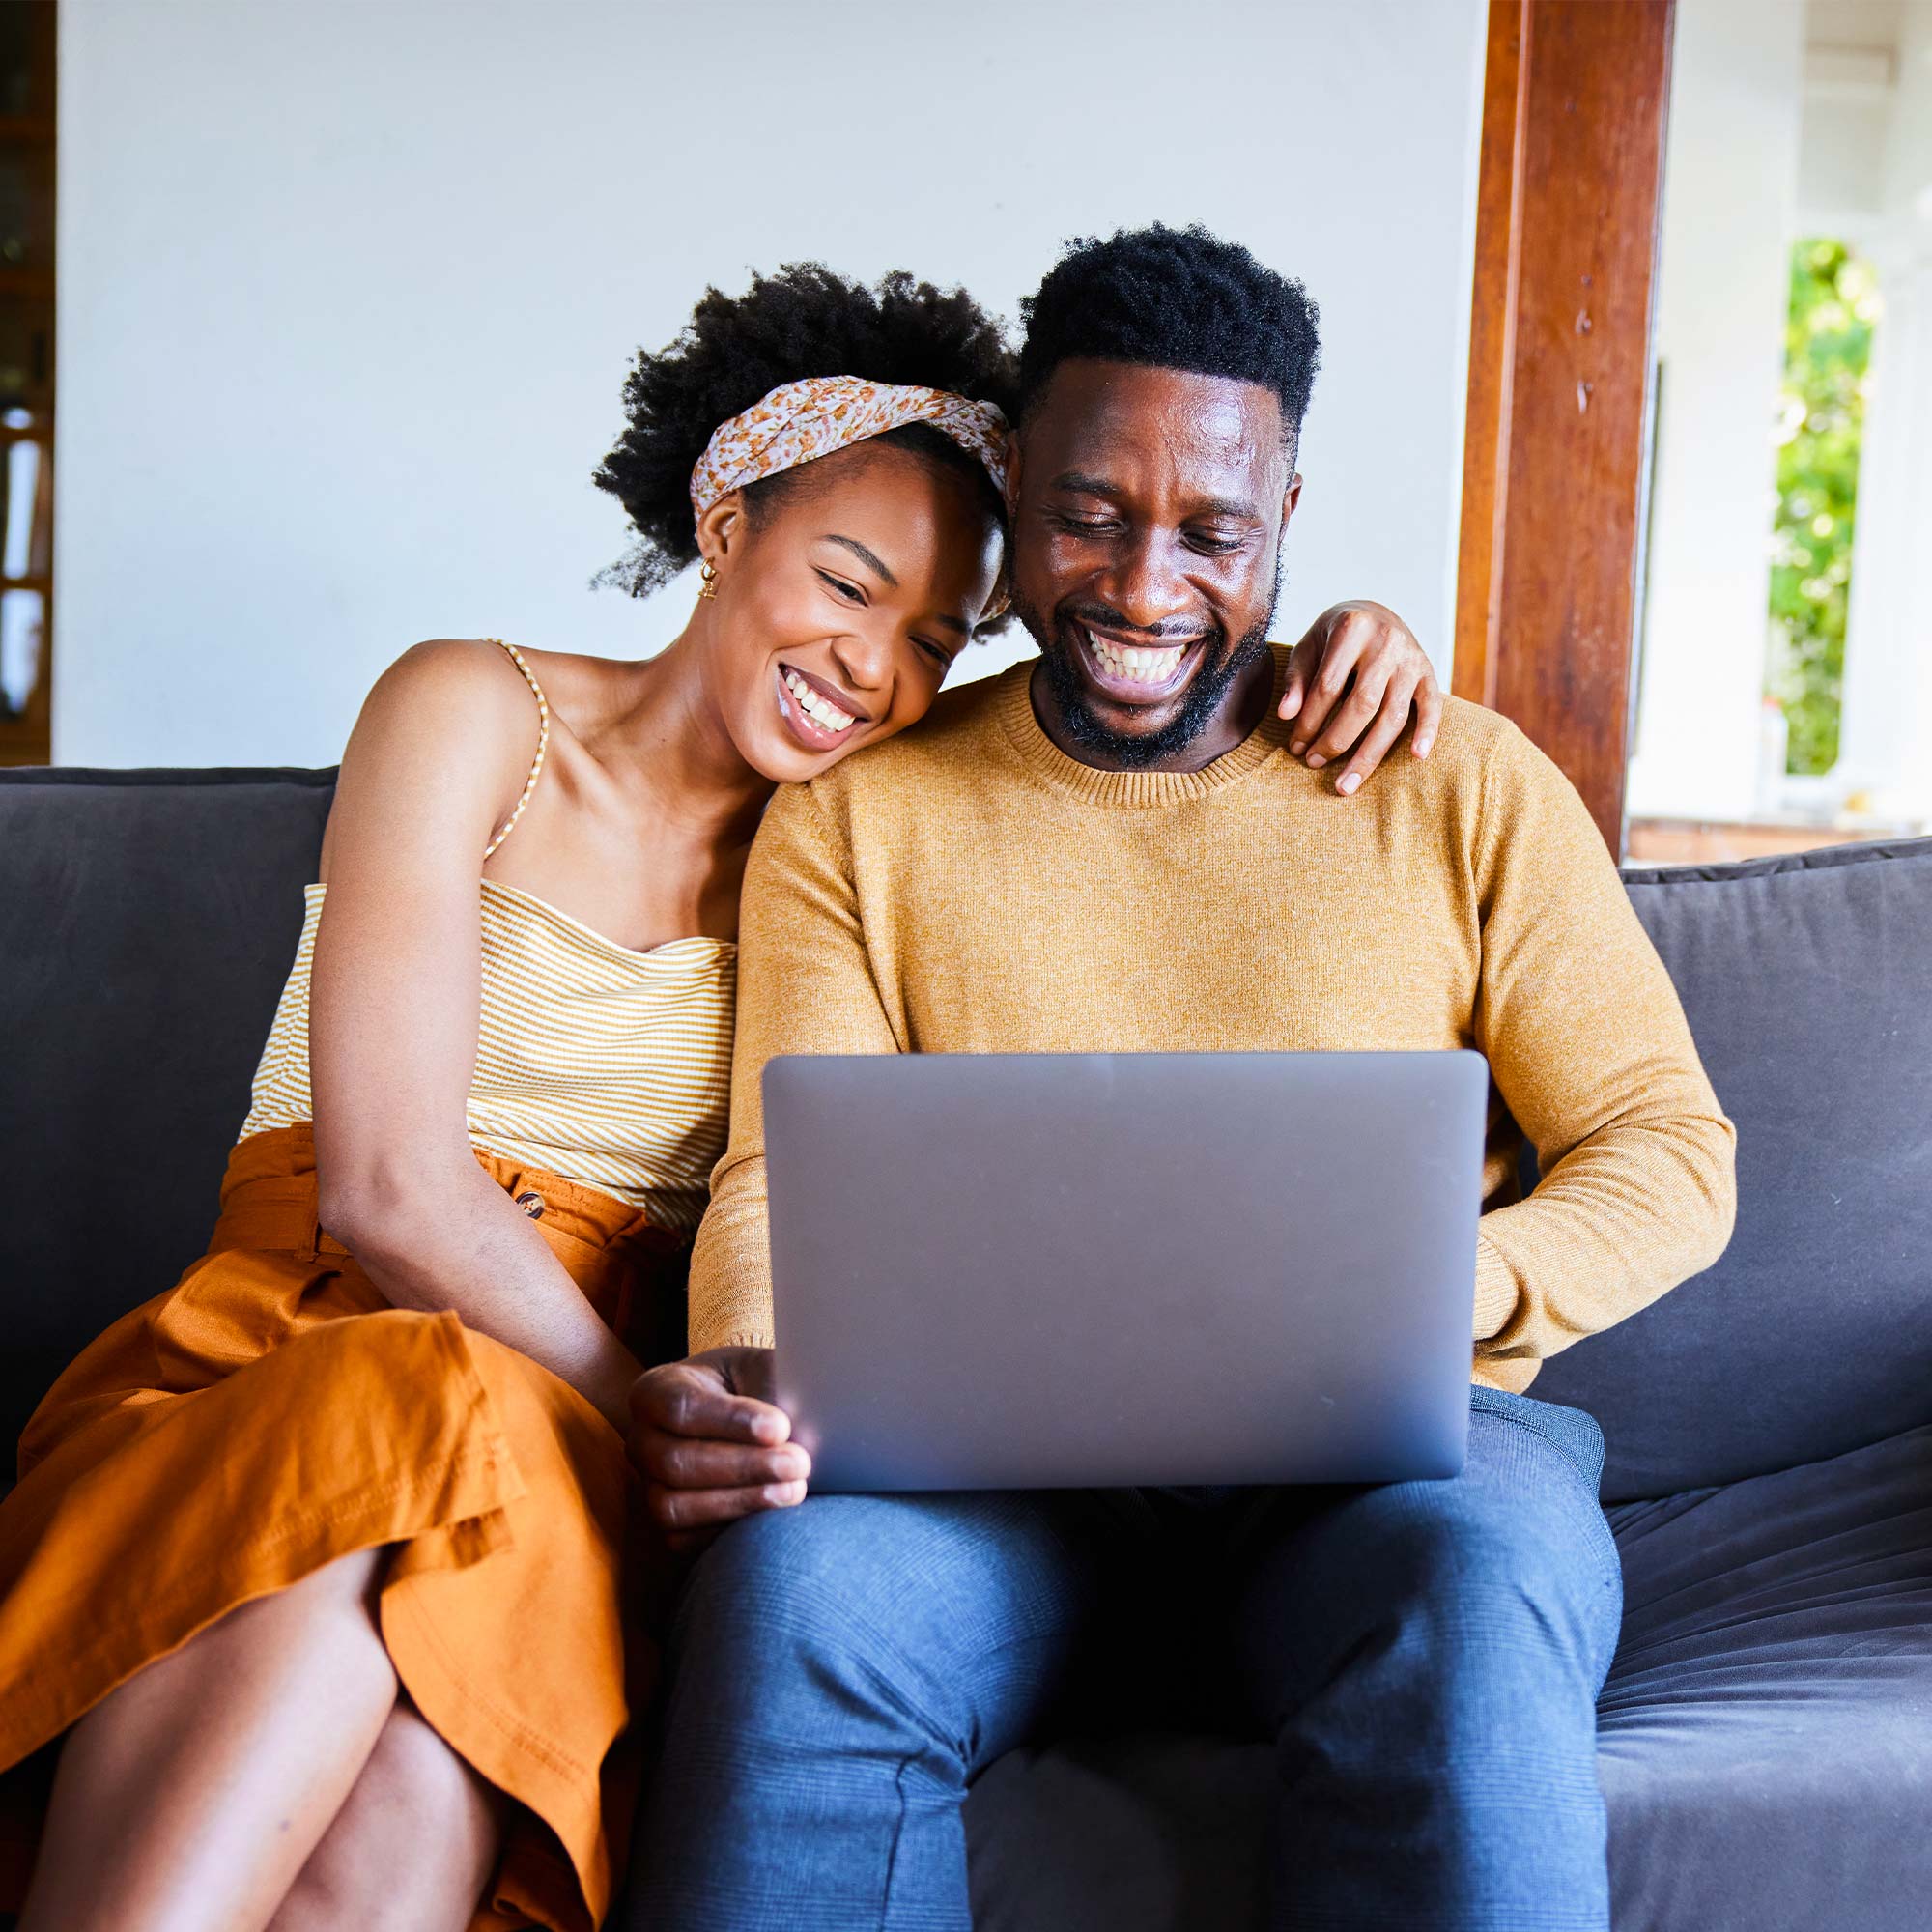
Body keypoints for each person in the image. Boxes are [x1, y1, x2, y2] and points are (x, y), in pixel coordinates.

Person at [0, 261, 1439, 1932]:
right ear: (725, 520)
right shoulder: (474, 709)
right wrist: (649, 1416)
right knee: (388, 1457)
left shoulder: (857, 846)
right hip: (309, 1356)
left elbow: (1134, 710)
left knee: (409, 1790)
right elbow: (384, 1188)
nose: (871, 667)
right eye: (845, 581)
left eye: (932, 639)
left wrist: (1333, 648)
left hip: (561, 1453)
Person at [625, 226, 1739, 1932]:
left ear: (1284, 519)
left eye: (1212, 532)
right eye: (1088, 515)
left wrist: (1432, 1290)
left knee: (1481, 1584)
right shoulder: (859, 814)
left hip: (1387, 1485)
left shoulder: (1460, 784)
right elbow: (785, 1175)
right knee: (796, 1601)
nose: (1145, 590)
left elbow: (1667, 1146)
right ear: (1017, 493)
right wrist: (765, 1378)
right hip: (984, 1502)